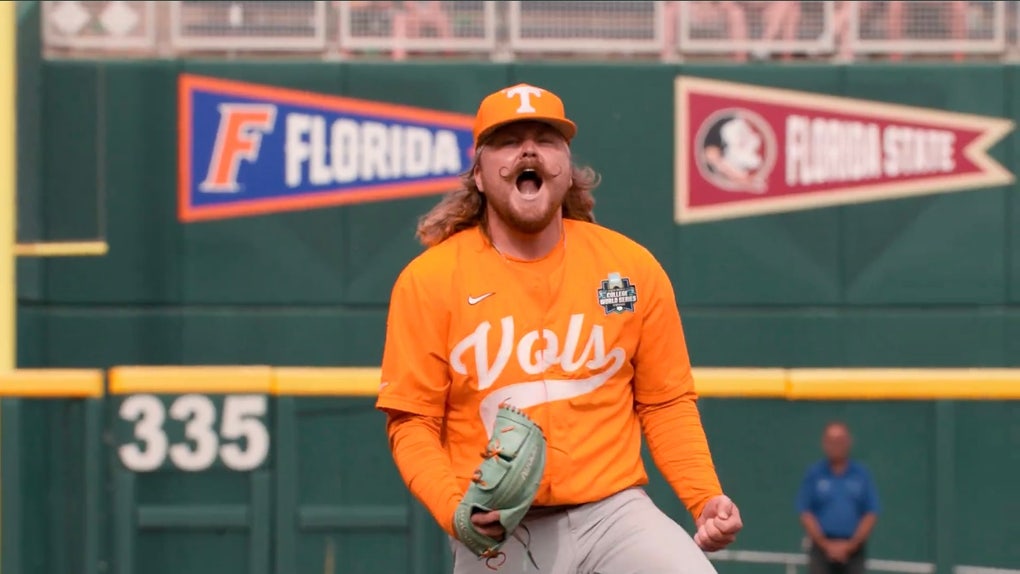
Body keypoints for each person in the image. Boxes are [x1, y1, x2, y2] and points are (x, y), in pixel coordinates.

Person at [375, 82, 743, 573]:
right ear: (479, 176)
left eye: (546, 138)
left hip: (613, 514)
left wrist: (704, 496)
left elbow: (665, 401)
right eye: (508, 141)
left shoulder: (629, 268)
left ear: (567, 170)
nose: (529, 148)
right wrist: (455, 510)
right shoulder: (429, 281)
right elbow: (412, 422)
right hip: (498, 524)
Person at [796, 421, 881, 574]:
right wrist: (825, 544)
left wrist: (851, 545)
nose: (836, 445)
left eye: (840, 441)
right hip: (821, 551)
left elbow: (870, 513)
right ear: (824, 443)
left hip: (854, 552)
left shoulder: (861, 474)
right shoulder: (814, 474)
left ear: (849, 442)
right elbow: (805, 512)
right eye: (832, 441)